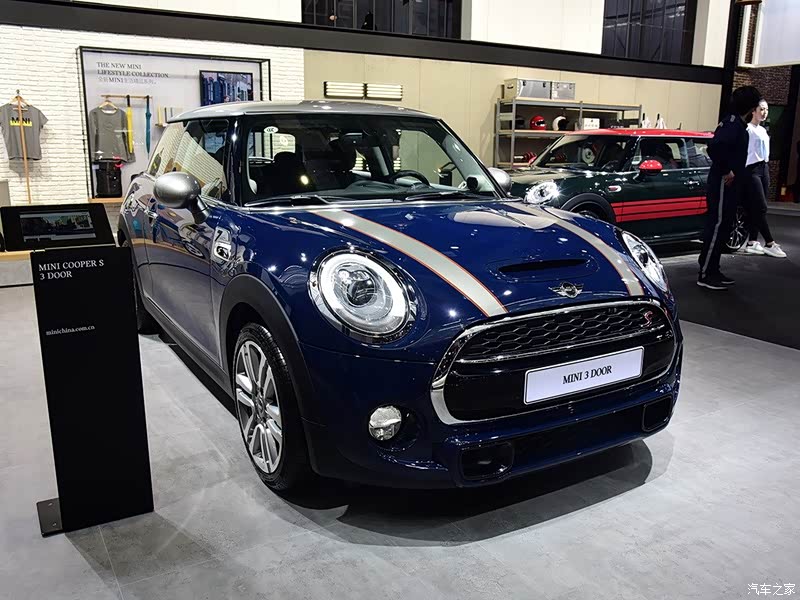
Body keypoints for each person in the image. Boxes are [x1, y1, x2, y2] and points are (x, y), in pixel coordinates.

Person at [697, 85, 762, 291]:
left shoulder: (738, 124)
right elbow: (715, 147)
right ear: (751, 106)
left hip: (731, 185)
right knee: (717, 226)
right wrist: (727, 170)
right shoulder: (732, 124)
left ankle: (713, 269)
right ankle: (706, 273)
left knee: (723, 225)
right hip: (723, 183)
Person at [742, 99, 787, 258]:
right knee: (761, 207)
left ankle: (752, 242)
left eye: (766, 109)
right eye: (761, 109)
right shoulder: (747, 129)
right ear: (753, 110)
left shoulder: (762, 130)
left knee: (758, 207)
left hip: (764, 167)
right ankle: (769, 242)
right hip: (751, 169)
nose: (765, 112)